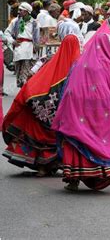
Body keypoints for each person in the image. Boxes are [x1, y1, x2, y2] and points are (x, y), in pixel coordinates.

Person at [51, 25, 110, 191]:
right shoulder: (109, 65)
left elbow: (68, 88)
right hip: (102, 111)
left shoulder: (79, 63)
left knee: (77, 140)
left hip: (76, 110)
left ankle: (73, 180)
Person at [2, 32, 81, 176]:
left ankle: (42, 167)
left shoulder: (49, 59)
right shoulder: (79, 66)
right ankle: (58, 164)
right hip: (62, 112)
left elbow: (32, 76)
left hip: (41, 104)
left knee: (36, 129)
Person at [4, 2, 40, 88]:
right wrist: (12, 41)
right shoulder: (15, 21)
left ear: (27, 12)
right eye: (19, 10)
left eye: (21, 10)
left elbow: (37, 38)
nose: (19, 12)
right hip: (18, 50)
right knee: (19, 75)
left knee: (27, 74)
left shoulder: (34, 23)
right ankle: (22, 91)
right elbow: (6, 33)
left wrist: (36, 47)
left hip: (29, 50)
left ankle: (25, 92)